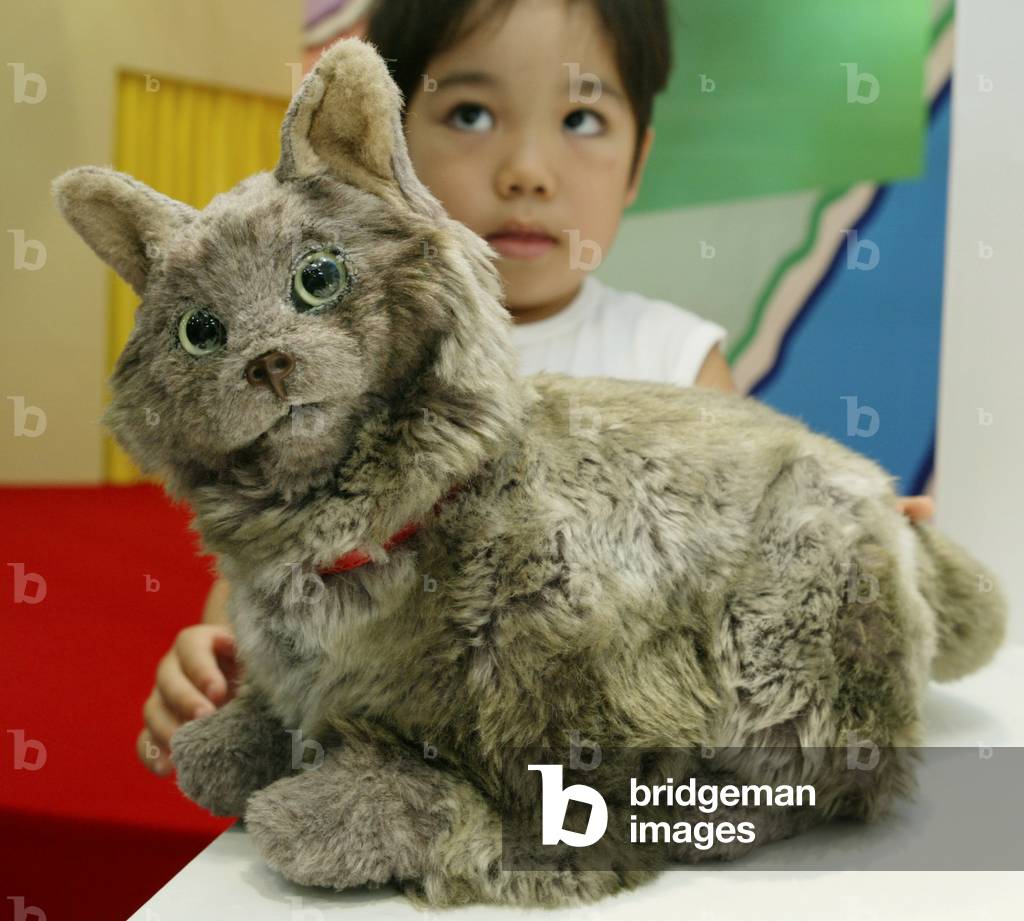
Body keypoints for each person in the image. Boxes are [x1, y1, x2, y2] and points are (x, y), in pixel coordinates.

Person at [138, 0, 935, 775]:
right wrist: (214, 658)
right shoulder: (350, 367)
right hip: (394, 765)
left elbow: (755, 517)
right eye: (473, 114)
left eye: (582, 120)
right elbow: (272, 565)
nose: (526, 171)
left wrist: (857, 535)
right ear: (386, 154)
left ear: (637, 163)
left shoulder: (672, 353)